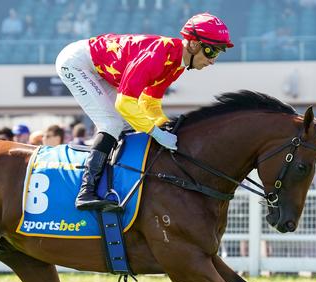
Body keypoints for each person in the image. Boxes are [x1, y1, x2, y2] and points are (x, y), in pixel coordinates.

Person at [55, 12, 233, 210]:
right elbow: (125, 104)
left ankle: (112, 183)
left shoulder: (177, 65)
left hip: (99, 69)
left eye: (218, 53)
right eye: (211, 51)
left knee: (128, 124)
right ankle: (86, 192)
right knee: (112, 123)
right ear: (193, 44)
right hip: (77, 63)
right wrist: (156, 133)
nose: (212, 60)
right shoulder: (158, 56)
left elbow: (149, 103)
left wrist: (167, 130)